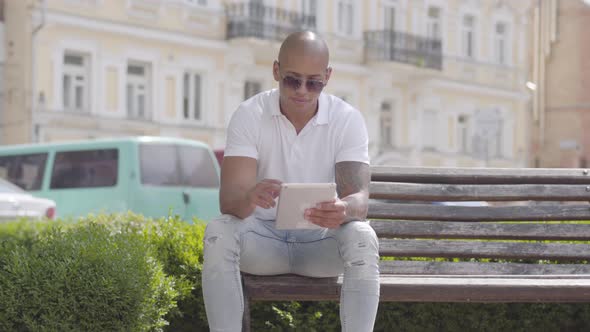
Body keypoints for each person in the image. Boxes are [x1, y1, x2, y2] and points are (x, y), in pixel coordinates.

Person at [202, 31, 380, 332]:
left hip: (321, 245)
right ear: (276, 71)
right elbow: (229, 201)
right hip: (262, 244)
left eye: (314, 82)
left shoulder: (346, 119)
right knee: (218, 231)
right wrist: (249, 198)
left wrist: (343, 209)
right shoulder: (249, 114)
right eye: (292, 79)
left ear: (328, 77)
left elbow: (359, 199)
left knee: (362, 235)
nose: (303, 90)